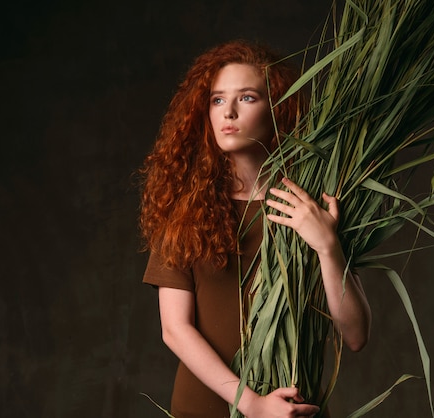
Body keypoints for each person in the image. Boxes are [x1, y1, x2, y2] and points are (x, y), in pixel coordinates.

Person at [139, 40, 371, 418]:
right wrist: (253, 405)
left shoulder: (310, 207)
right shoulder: (185, 212)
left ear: (279, 108)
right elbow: (175, 329)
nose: (227, 112)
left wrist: (328, 246)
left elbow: (356, 336)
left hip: (293, 411)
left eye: (246, 98)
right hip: (205, 410)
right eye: (216, 100)